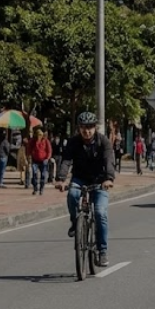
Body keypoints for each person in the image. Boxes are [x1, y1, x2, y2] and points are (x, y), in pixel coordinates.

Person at [55, 111, 115, 267]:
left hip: (100, 181)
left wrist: (109, 178)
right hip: (79, 179)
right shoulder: (73, 142)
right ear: (79, 128)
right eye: (83, 127)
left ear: (95, 127)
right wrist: (61, 179)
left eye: (90, 127)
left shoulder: (104, 142)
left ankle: (102, 251)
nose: (87, 131)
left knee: (100, 213)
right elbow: (66, 161)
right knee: (72, 194)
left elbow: (109, 160)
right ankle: (75, 222)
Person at [27, 126, 53, 195]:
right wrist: (29, 157)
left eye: (40, 135)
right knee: (34, 174)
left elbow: (49, 151)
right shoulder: (33, 141)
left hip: (43, 160)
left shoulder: (46, 141)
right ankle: (35, 188)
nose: (39, 136)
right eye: (38, 135)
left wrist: (47, 158)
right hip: (35, 160)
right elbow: (29, 149)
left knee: (43, 175)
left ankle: (41, 189)